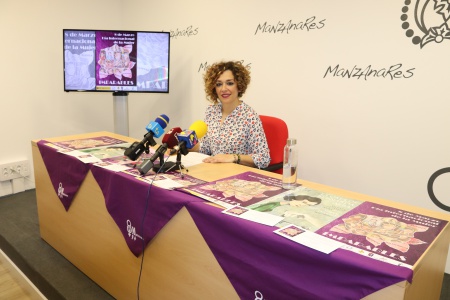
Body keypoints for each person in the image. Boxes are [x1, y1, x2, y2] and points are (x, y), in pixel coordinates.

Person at [191, 61, 271, 169]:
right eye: (219, 84)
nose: (224, 89)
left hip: (238, 178)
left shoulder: (249, 116)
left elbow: (264, 158)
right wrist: (189, 147)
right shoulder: (211, 112)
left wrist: (233, 157)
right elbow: (206, 148)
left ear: (239, 85)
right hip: (213, 172)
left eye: (229, 83)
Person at [251, 195, 322, 212]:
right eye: (304, 202)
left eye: (308, 205)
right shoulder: (276, 201)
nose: (303, 205)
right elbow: (252, 208)